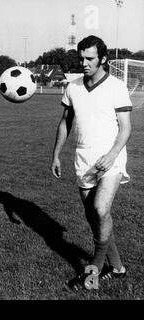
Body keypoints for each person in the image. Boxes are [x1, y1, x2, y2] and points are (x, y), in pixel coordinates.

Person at [51, 35, 132, 290]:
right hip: (83, 158)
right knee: (96, 217)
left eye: (90, 59)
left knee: (99, 209)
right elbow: (65, 122)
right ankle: (117, 267)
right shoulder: (73, 87)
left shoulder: (116, 86)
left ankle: (93, 271)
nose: (84, 63)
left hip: (111, 157)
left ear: (103, 59)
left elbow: (126, 128)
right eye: (81, 58)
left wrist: (112, 154)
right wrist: (55, 154)